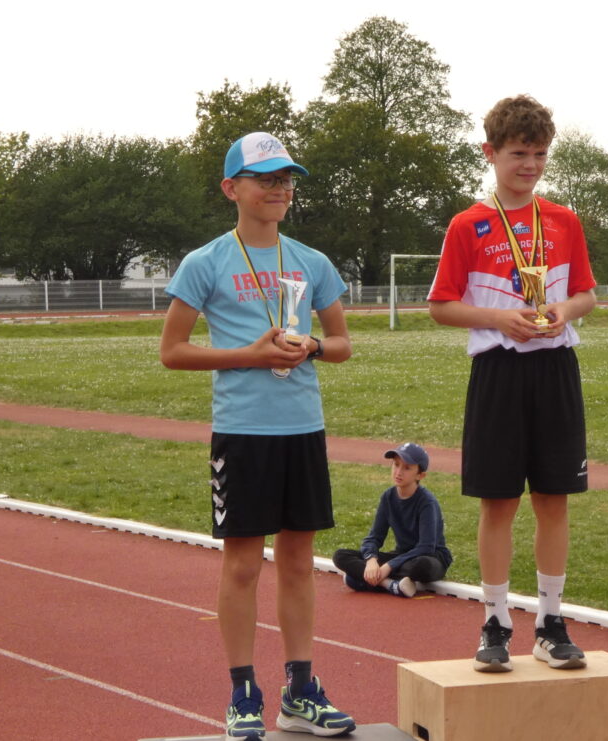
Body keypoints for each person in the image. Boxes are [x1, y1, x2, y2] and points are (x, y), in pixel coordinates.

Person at [160, 132, 355, 738]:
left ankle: (301, 690)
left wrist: (312, 346)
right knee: (243, 565)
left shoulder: (312, 261)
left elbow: (342, 344)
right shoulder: (205, 262)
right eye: (266, 179)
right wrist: (250, 354)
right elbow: (172, 351)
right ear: (231, 188)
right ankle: (243, 692)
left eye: (286, 179)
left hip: (303, 429)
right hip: (243, 433)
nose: (279, 189)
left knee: (298, 563)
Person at [428, 95, 596, 673]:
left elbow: (586, 294)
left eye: (540, 154)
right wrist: (500, 319)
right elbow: (442, 306)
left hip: (555, 368)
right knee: (498, 501)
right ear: (491, 152)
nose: (531, 165)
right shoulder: (468, 224)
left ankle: (550, 623)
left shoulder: (564, 220)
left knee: (553, 498)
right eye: (519, 154)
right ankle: (495, 622)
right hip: (498, 370)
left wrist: (562, 312)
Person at [332, 442, 452, 597]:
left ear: (420, 475)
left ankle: (362, 579)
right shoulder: (388, 497)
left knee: (421, 566)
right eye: (396, 465)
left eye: (407, 468)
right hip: (401, 556)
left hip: (430, 558)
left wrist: (388, 566)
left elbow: (426, 547)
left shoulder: (427, 502)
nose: (398, 472)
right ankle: (390, 585)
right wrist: (371, 560)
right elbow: (374, 537)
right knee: (340, 555)